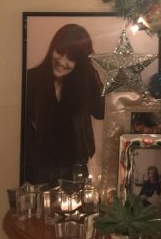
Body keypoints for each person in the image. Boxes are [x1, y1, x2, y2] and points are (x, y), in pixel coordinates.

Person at [25, 24, 104, 186]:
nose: (62, 61)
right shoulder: (30, 80)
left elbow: (101, 112)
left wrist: (91, 73)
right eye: (59, 52)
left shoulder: (84, 84)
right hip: (37, 173)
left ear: (81, 62)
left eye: (72, 58)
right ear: (52, 49)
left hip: (76, 172)